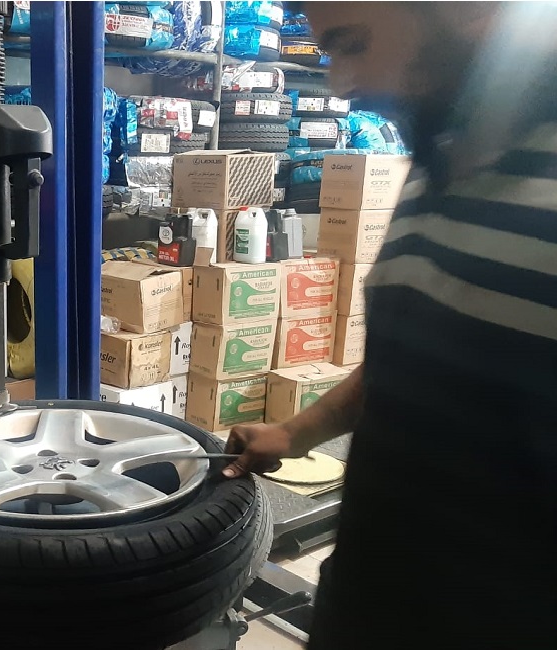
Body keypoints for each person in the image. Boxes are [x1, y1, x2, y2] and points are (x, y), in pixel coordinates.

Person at [224, 2, 556, 648]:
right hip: (366, 598)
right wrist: (295, 432)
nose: (342, 84)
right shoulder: (441, 159)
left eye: (354, 45)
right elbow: (414, 356)